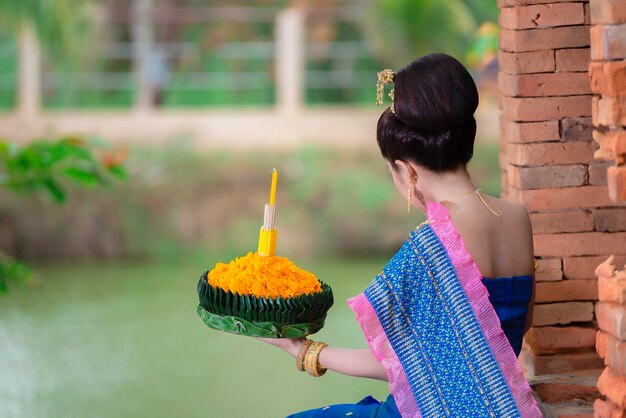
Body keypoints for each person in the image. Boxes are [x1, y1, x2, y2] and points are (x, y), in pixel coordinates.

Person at [259, 53, 542, 417]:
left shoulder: (431, 245)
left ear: (406, 171)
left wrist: (304, 350)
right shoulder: (518, 217)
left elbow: (402, 366)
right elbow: (521, 324)